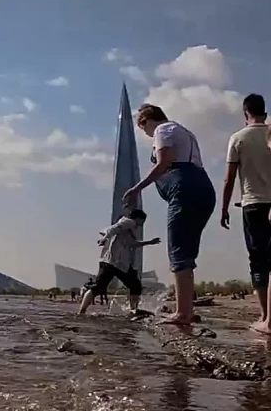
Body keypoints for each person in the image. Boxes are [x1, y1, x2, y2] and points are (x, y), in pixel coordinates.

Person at [124, 104, 216, 325]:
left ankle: (182, 313)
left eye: (141, 125)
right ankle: (186, 309)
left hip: (183, 190)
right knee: (187, 251)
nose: (143, 131)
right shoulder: (185, 132)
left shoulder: (162, 130)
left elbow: (165, 162)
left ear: (146, 120)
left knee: (178, 251)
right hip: (204, 189)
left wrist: (137, 188)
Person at [220, 94, 271, 332]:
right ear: (265, 112)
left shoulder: (238, 138)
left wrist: (224, 208)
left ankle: (265, 317)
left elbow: (229, 179)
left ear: (245, 113)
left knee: (259, 260)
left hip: (253, 204)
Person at [77, 209, 161, 315]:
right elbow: (112, 229)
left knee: (98, 287)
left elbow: (132, 244)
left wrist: (149, 242)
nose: (141, 225)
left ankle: (81, 311)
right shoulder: (129, 222)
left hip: (108, 262)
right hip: (117, 263)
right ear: (138, 218)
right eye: (142, 222)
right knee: (135, 285)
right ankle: (133, 310)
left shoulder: (127, 229)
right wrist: (105, 238)